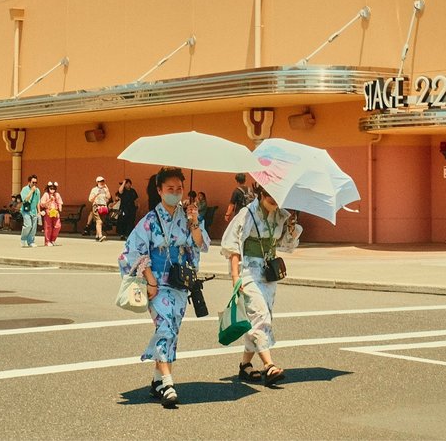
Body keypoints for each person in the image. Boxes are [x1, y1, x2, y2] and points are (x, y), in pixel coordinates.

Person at [118, 167, 208, 408]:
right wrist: (149, 278)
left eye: (179, 189)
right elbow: (132, 251)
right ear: (159, 190)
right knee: (165, 326)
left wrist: (194, 222)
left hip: (178, 282)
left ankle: (157, 380)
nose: (175, 193)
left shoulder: (186, 217)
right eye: (170, 189)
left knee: (172, 328)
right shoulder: (149, 221)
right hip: (156, 283)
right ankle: (168, 383)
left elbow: (199, 245)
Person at [220, 183, 302, 386]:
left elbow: (286, 247)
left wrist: (291, 229)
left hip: (268, 273)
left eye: (278, 196)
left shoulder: (281, 216)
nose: (274, 200)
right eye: (269, 195)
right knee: (260, 315)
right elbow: (233, 244)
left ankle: (245, 366)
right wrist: (235, 276)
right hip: (248, 270)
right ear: (261, 193)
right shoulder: (247, 214)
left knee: (257, 317)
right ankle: (269, 365)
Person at [87, 176, 112, 242]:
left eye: (103, 181)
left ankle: (97, 235)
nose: (102, 182)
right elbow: (90, 199)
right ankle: (100, 235)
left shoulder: (105, 189)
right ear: (97, 182)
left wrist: (107, 190)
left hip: (103, 207)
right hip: (96, 206)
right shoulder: (94, 189)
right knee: (99, 221)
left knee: (100, 222)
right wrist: (96, 195)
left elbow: (109, 197)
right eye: (100, 181)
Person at [39, 182, 63, 246]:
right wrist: (49, 200)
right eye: (51, 188)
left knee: (58, 225)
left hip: (55, 211)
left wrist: (60, 208)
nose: (52, 190)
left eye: (54, 188)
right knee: (48, 227)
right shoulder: (46, 194)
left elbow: (60, 202)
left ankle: (53, 240)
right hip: (48, 211)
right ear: (48, 188)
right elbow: (42, 204)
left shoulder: (57, 194)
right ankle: (47, 241)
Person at [20, 175, 41, 247]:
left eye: (36, 182)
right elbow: (25, 200)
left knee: (33, 228)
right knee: (28, 225)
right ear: (29, 182)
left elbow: (38, 202)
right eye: (33, 182)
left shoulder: (37, 191)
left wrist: (39, 212)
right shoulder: (24, 189)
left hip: (34, 211)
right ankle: (23, 239)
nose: (34, 184)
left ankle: (31, 241)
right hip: (26, 210)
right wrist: (31, 191)